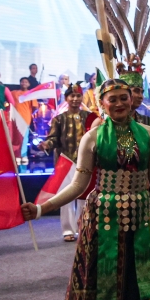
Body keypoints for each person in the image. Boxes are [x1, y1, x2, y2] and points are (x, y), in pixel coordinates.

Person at [21, 79, 150, 300]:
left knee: (137, 286)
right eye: (112, 99)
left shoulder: (146, 133)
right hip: (104, 221)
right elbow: (77, 185)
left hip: (140, 219)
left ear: (132, 99)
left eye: (124, 97)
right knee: (109, 286)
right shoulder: (93, 137)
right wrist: (41, 209)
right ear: (101, 103)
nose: (119, 103)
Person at [40, 87, 95, 242]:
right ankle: (68, 230)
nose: (75, 99)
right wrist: (46, 144)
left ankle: (82, 228)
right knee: (66, 198)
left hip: (86, 162)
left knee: (84, 197)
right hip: (66, 162)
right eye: (72, 96)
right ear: (66, 98)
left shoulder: (89, 117)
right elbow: (53, 139)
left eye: (78, 96)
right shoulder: (59, 119)